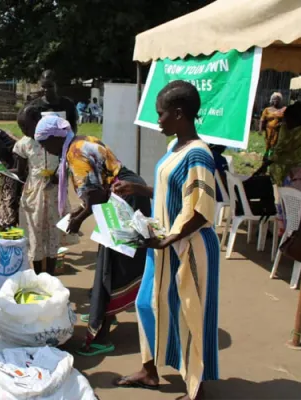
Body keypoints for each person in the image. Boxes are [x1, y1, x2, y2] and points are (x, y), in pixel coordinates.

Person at [112, 81, 220, 400]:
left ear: (178, 113)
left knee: (189, 312)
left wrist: (170, 238)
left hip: (188, 248)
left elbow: (201, 208)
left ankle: (195, 387)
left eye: (160, 114)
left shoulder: (199, 154)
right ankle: (150, 370)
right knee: (147, 303)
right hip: (163, 245)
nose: (157, 120)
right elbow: (170, 191)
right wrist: (138, 190)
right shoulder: (174, 148)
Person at [34, 115, 149, 356]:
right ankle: (108, 313)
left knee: (112, 263)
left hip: (124, 199)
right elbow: (97, 189)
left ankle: (101, 333)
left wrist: (77, 219)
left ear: (56, 138)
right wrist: (79, 212)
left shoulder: (74, 153)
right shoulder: (82, 140)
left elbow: (95, 194)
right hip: (124, 194)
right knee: (111, 259)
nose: (46, 150)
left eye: (45, 144)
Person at [13, 106, 72, 275]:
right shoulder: (24, 144)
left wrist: (60, 174)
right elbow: (21, 171)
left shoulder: (57, 139)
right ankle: (39, 275)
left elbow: (67, 163)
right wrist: (2, 172)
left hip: (54, 194)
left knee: (53, 234)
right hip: (34, 196)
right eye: (21, 128)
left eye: (27, 127)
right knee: (35, 235)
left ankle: (51, 276)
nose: (24, 131)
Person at [255, 102, 301, 233]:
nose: (287, 124)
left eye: (289, 121)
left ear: (299, 118)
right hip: (295, 177)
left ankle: (286, 228)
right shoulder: (287, 128)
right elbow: (280, 148)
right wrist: (266, 164)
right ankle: (286, 228)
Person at [259, 92, 286, 158]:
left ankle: (272, 158)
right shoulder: (267, 110)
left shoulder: (283, 110)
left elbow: (287, 120)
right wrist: (260, 129)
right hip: (268, 130)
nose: (276, 101)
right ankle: (266, 156)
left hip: (278, 131)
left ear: (280, 101)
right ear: (271, 100)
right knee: (268, 144)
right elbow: (262, 120)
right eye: (274, 99)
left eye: (278, 99)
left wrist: (282, 124)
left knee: (275, 145)